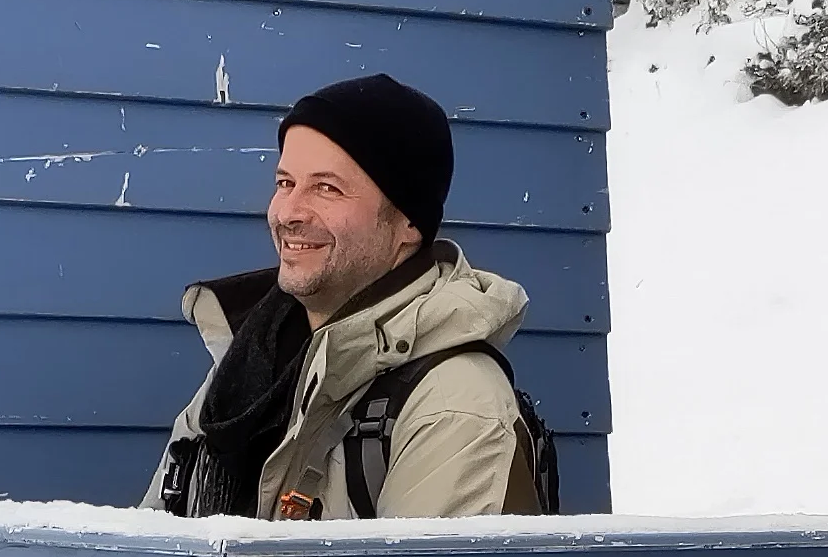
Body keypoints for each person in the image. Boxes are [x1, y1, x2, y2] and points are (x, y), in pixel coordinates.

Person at [147, 72, 551, 519]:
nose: (290, 213)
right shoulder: (245, 367)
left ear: (407, 224)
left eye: (327, 188)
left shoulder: (453, 404)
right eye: (285, 183)